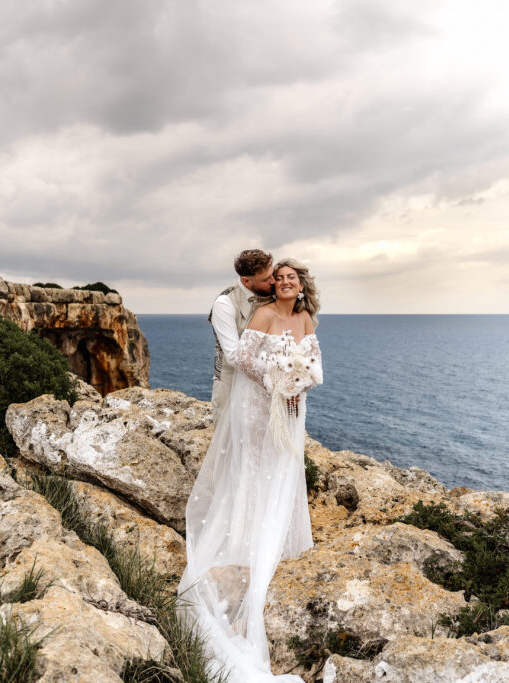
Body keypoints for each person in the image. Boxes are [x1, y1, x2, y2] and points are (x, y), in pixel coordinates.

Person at [180, 258, 322, 682]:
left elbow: (315, 366)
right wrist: (277, 380)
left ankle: (282, 543)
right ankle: (245, 543)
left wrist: (298, 383)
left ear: (301, 286)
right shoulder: (261, 313)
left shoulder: (306, 319)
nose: (282, 283)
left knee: (284, 471)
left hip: (291, 409)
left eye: (289, 278)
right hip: (258, 404)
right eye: (277, 278)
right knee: (255, 470)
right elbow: (242, 356)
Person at [208, 249, 276, 426]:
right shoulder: (224, 303)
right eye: (266, 279)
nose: (273, 281)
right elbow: (233, 356)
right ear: (246, 281)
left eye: (272, 274)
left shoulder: (274, 293)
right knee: (228, 433)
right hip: (230, 380)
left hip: (265, 382)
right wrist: (273, 378)